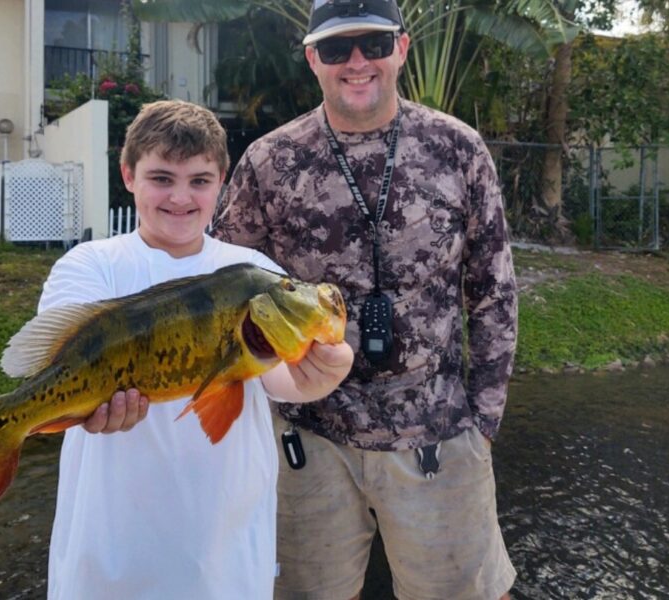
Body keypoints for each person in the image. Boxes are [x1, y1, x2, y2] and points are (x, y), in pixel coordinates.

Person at [212, 1, 519, 599]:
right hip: (310, 437)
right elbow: (225, 291)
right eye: (336, 49)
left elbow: (493, 292)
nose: (357, 62)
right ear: (312, 60)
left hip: (438, 430)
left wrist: (483, 421)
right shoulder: (270, 160)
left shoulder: (459, 149)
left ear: (401, 49)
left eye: (374, 45)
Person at [39, 99, 354, 600]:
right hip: (107, 562)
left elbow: (280, 379)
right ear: (128, 175)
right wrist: (80, 407)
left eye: (200, 181)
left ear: (222, 181)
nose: (181, 197)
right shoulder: (88, 267)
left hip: (222, 562)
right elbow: (56, 367)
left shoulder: (252, 271)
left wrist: (322, 374)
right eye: (161, 178)